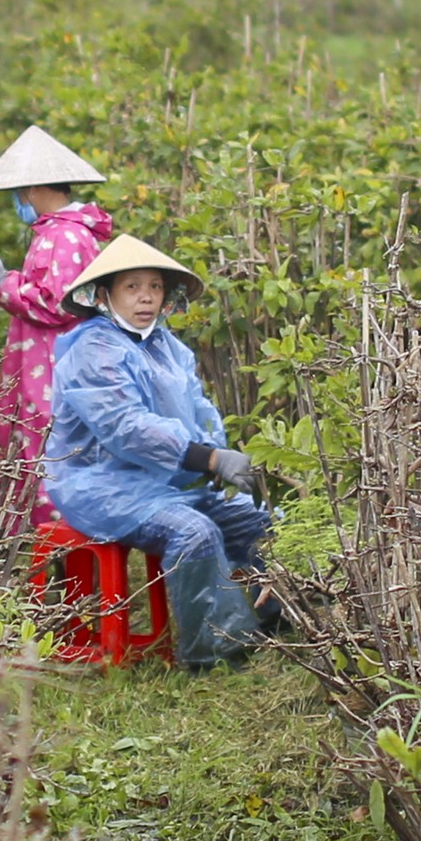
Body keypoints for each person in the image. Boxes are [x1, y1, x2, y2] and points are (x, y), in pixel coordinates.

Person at [43, 236, 272, 668]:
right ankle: (214, 654)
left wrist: (219, 459)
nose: (146, 297)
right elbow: (125, 428)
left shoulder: (168, 347)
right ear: (104, 295)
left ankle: (280, 624)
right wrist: (207, 460)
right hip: (102, 484)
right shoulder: (94, 349)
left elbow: (200, 413)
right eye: (131, 287)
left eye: (155, 286)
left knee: (253, 516)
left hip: (167, 479)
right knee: (193, 532)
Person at [0, 125, 114, 527]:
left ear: (31, 190)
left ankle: (63, 575)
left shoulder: (63, 235)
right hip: (46, 365)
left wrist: (2, 282)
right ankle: (59, 572)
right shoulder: (63, 232)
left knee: (48, 462)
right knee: (40, 460)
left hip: (51, 369)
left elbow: (56, 302)